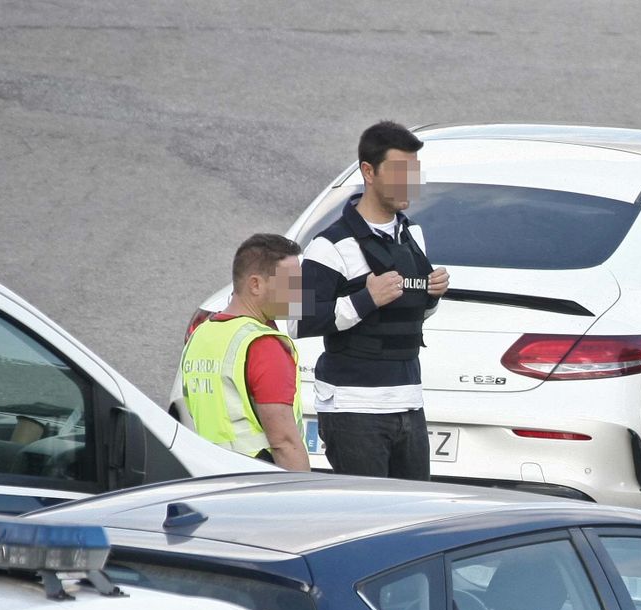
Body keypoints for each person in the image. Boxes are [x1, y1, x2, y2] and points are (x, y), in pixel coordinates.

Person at [298, 120, 449, 479]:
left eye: (413, 171)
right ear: (369, 171)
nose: (409, 181)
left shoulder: (414, 235)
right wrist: (366, 299)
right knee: (367, 519)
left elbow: (409, 313)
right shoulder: (324, 245)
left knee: (415, 520)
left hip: (409, 401)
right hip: (353, 408)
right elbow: (295, 321)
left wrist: (431, 296)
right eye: (399, 170)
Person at [179, 233, 309, 470]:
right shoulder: (262, 345)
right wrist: (303, 498)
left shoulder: (201, 334)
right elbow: (284, 443)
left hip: (209, 473)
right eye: (291, 283)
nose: (298, 293)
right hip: (258, 481)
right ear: (255, 284)